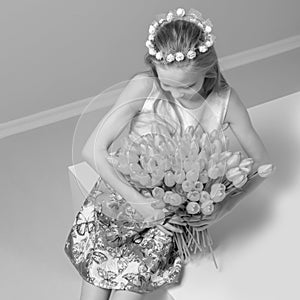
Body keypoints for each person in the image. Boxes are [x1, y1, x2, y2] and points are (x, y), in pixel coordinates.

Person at [64, 7, 271, 300]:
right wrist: (140, 204)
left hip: (166, 218)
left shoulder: (226, 101)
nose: (177, 95)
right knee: (93, 291)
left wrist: (222, 209)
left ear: (209, 69)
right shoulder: (144, 86)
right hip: (117, 200)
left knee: (128, 294)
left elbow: (262, 165)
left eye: (188, 86)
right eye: (168, 85)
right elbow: (92, 150)